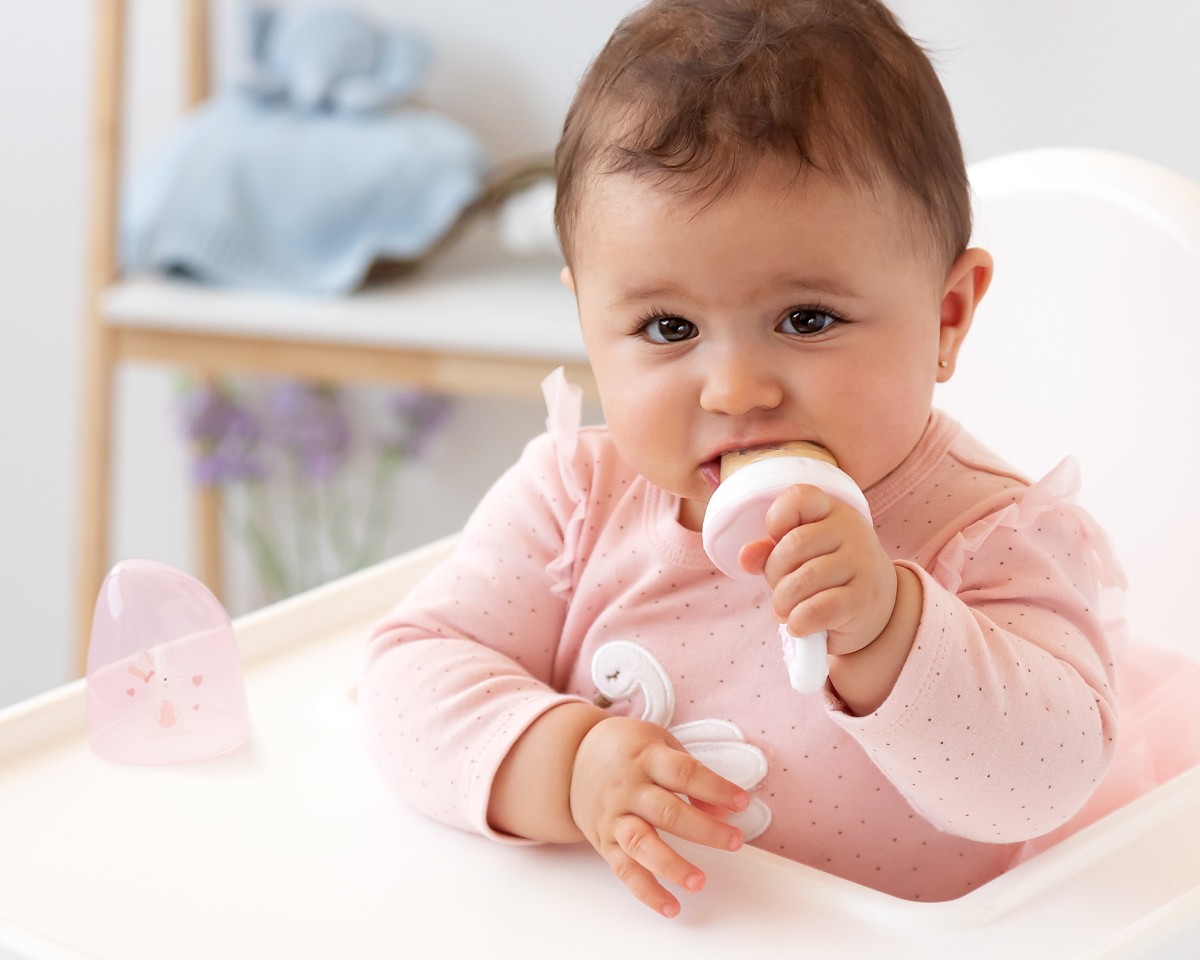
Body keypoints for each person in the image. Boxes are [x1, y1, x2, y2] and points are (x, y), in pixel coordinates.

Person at [358, 0, 1156, 917]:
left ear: (946, 317)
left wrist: (889, 630)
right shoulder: (574, 499)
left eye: (806, 319)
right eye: (668, 327)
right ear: (587, 320)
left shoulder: (992, 537)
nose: (735, 390)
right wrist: (566, 765)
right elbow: (406, 682)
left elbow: (1046, 781)